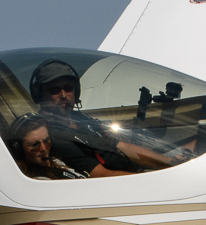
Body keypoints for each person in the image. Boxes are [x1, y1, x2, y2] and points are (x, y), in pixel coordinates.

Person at [26, 59, 167, 177]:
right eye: (54, 90)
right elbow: (99, 173)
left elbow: (121, 146)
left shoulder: (79, 118)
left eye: (68, 88)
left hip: (135, 175)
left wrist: (169, 161)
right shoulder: (50, 133)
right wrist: (152, 179)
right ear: (40, 95)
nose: (63, 95)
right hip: (118, 186)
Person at [7, 113, 85, 179]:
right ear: (19, 149)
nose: (43, 148)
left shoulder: (55, 161)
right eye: (35, 144)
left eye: (46, 140)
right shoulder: (38, 180)